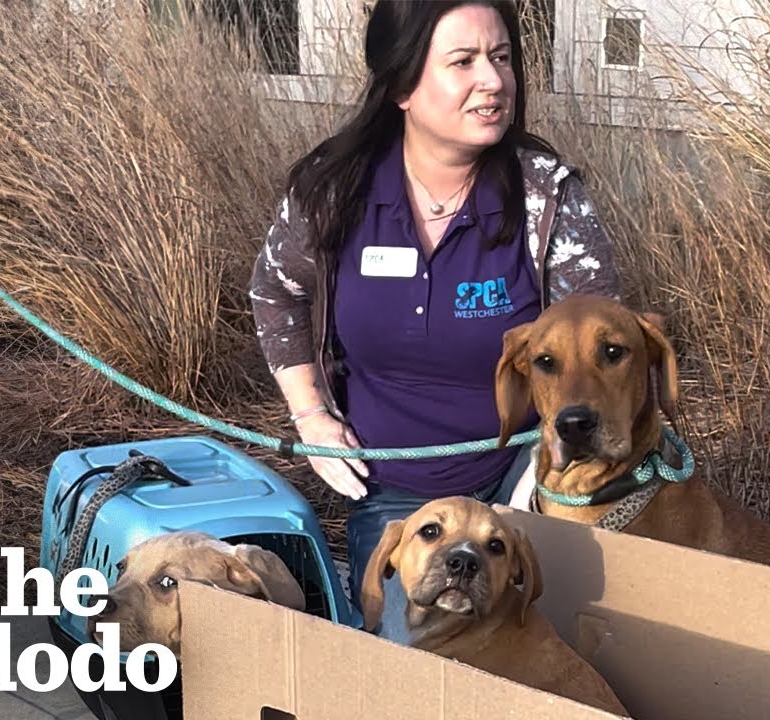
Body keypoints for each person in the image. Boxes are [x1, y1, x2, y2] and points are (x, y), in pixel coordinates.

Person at [247, 0, 621, 643]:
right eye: (464, 61)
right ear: (400, 85)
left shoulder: (545, 195)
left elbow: (601, 339)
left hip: (533, 477)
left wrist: (557, 460)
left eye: (502, 58)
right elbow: (276, 292)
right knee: (403, 652)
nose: (494, 80)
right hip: (397, 488)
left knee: (540, 642)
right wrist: (311, 415)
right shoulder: (334, 190)